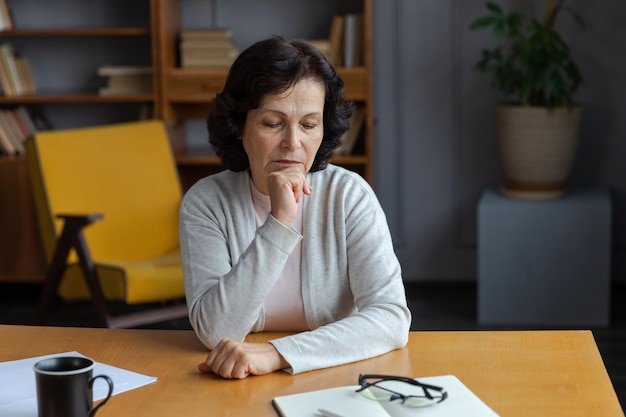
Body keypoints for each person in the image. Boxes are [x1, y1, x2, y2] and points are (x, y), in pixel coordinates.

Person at [179, 36, 411, 379]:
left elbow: (391, 318)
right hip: (236, 379)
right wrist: (279, 221)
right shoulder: (206, 203)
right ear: (239, 125)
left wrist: (277, 354)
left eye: (308, 124)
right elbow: (216, 332)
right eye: (273, 123)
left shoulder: (349, 195)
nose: (292, 142)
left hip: (337, 372)